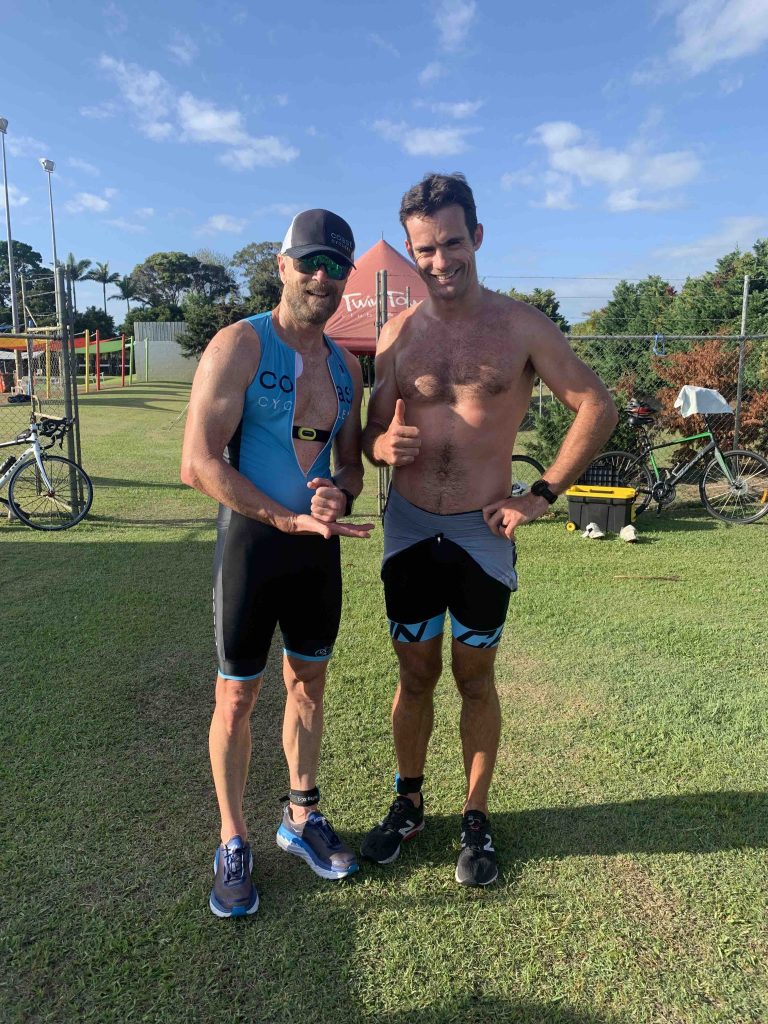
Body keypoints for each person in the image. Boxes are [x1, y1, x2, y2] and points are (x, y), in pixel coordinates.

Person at [360, 173, 617, 886]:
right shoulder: (397, 333)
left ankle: (475, 817)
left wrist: (541, 494)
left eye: (451, 243)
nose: (440, 261)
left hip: (481, 535)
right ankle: (409, 802)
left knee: (475, 678)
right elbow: (370, 431)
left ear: (476, 236)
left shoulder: (521, 326)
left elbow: (596, 405)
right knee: (415, 674)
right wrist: (380, 446)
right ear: (411, 252)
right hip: (411, 529)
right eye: (425, 249)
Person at [181, 209, 373, 918]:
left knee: (309, 684)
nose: (324, 276)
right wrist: (285, 517)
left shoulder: (347, 367)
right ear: (283, 266)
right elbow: (198, 463)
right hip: (253, 546)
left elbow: (350, 463)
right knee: (237, 696)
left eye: (337, 266)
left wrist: (339, 492)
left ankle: (301, 815)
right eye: (311, 261)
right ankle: (233, 839)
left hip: (315, 552)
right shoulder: (239, 344)